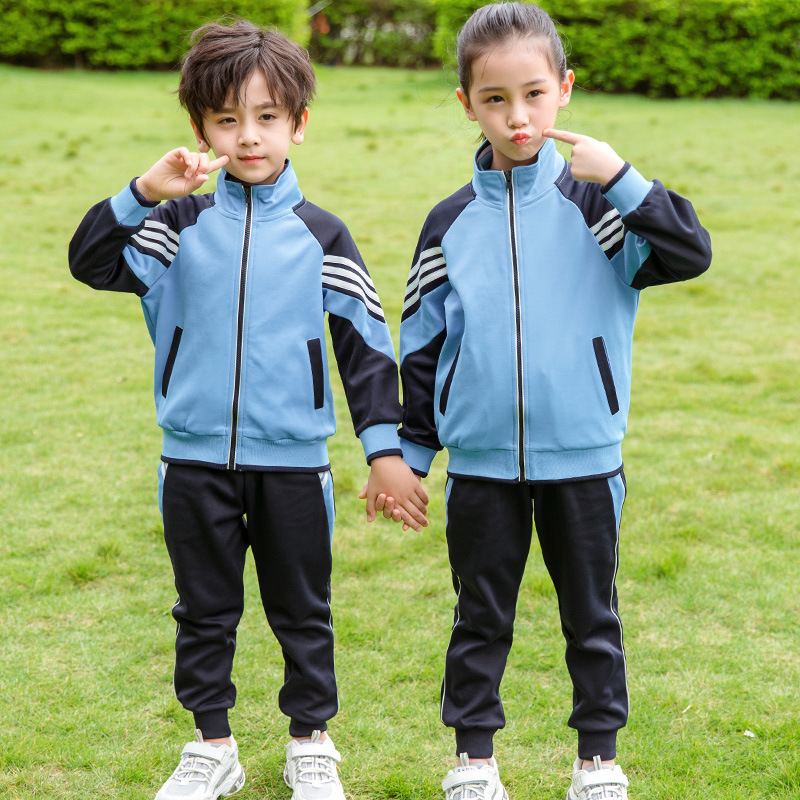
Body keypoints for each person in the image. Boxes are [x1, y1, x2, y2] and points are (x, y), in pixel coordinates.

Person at [68, 19, 428, 800]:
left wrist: (384, 450)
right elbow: (90, 262)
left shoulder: (322, 235)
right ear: (199, 128)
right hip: (192, 460)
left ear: (299, 124)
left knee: (303, 610)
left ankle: (311, 743)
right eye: (227, 120)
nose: (248, 136)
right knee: (203, 609)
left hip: (294, 462)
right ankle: (212, 746)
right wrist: (142, 193)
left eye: (267, 117)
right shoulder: (173, 226)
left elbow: (366, 350)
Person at [396, 3, 712, 799]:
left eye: (533, 94)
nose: (517, 115)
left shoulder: (600, 205)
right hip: (481, 463)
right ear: (467, 103)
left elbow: (688, 253)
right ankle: (473, 762)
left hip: (585, 457)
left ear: (563, 90)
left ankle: (597, 762)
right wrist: (411, 452)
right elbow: (423, 345)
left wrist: (622, 177)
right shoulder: (447, 223)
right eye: (495, 98)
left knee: (591, 618)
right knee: (479, 618)